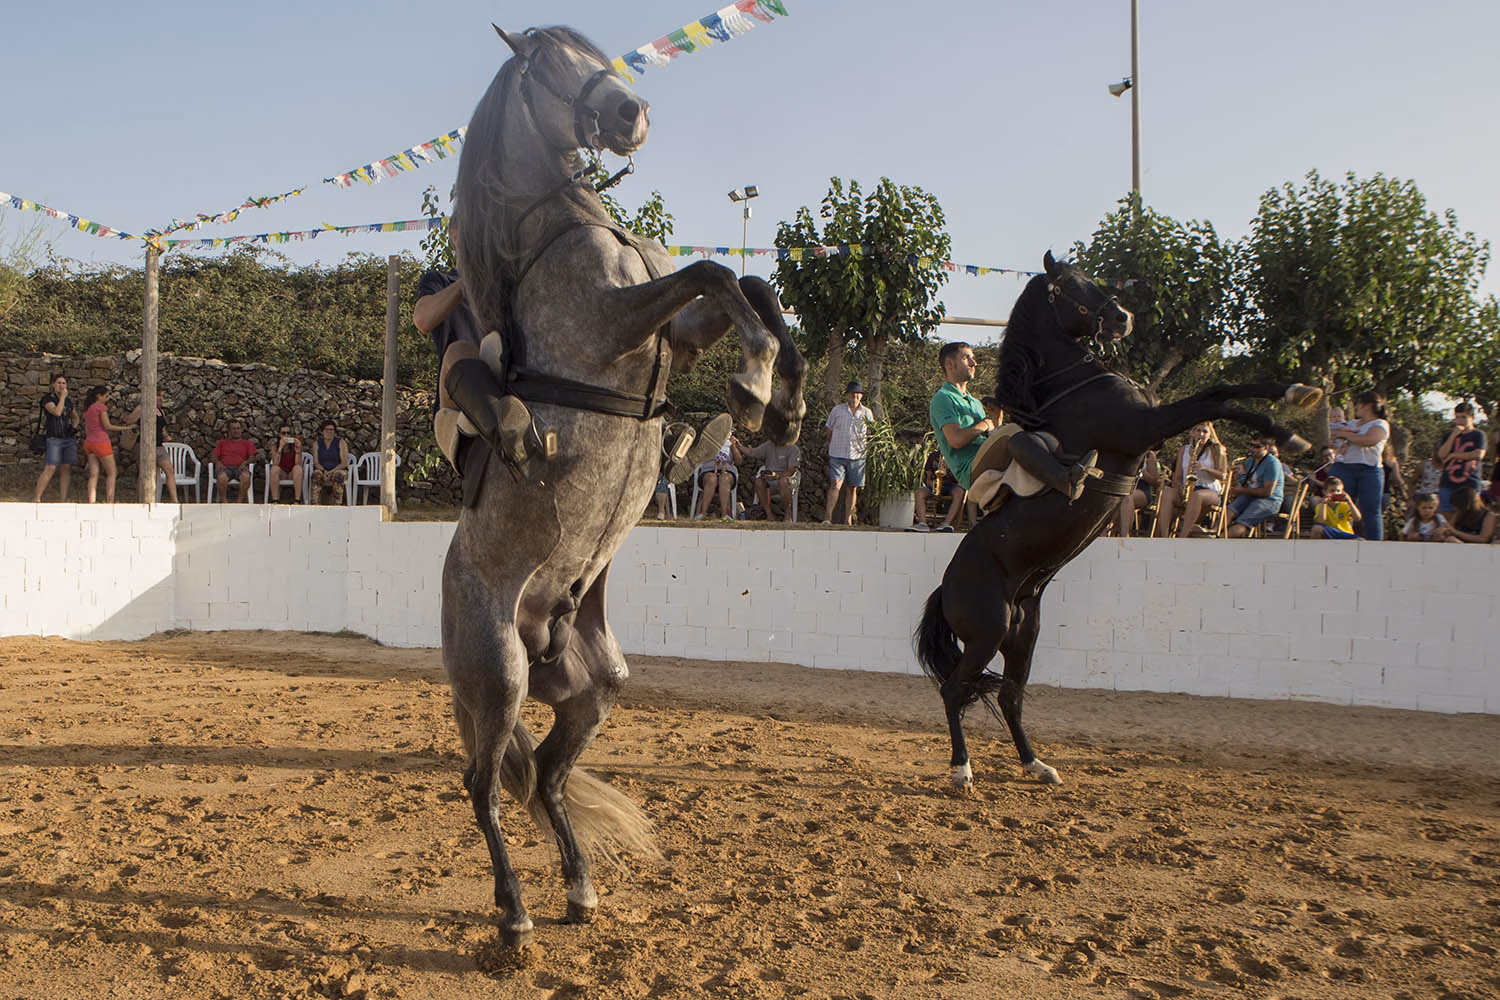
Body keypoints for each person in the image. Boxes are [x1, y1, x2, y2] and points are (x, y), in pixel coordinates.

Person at [413, 221, 536, 473]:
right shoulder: (438, 280)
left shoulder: (503, 287)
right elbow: (422, 320)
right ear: (455, 236)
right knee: (460, 350)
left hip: (507, 390)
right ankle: (505, 436)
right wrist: (466, 280)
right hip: (455, 407)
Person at [930, 342, 1097, 516]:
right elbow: (956, 440)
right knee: (1011, 431)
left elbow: (992, 436)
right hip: (970, 470)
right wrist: (986, 424)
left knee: (1042, 437)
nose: (974, 363)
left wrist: (997, 418)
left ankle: (1070, 468)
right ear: (950, 364)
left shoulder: (974, 402)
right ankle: (1065, 481)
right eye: (966, 358)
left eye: (973, 357)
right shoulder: (943, 398)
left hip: (987, 458)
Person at [1329, 391, 1390, 541]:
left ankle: (1374, 545)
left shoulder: (1380, 424)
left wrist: (1346, 435)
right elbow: (1333, 438)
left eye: (1358, 404)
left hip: (1369, 470)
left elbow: (1368, 440)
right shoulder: (1351, 424)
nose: (1355, 407)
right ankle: (1340, 539)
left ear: (1367, 406)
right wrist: (1344, 435)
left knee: (1371, 510)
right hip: (1344, 468)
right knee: (1339, 506)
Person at [1155, 421, 1228, 538]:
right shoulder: (1183, 450)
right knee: (1167, 493)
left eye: (1205, 432)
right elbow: (1177, 476)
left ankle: (1183, 536)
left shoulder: (1216, 449)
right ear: (1192, 433)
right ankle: (1164, 536)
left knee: (1197, 496)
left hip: (1209, 490)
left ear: (1210, 434)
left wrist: (1205, 468)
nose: (1201, 434)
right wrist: (1179, 487)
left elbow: (1224, 476)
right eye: (1198, 431)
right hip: (1188, 488)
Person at [822, 381, 876, 525]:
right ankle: (828, 518)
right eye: (852, 394)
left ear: (861, 396)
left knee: (852, 488)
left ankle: (848, 520)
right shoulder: (837, 410)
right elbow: (829, 430)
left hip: (857, 455)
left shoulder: (867, 413)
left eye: (858, 394)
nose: (855, 397)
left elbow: (870, 433)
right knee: (835, 484)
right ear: (847, 395)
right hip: (837, 453)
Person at [81, 385, 139, 504]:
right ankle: (110, 501)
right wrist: (127, 427)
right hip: (101, 442)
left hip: (89, 442)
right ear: (99, 396)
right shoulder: (101, 407)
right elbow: (108, 426)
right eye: (106, 396)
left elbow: (88, 428)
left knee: (93, 474)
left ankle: (91, 502)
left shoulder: (88, 409)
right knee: (112, 473)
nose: (107, 399)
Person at [1225, 435, 1284, 537]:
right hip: (1251, 495)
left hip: (1270, 500)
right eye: (1251, 445)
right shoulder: (1249, 461)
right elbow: (1248, 483)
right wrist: (1238, 478)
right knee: (1229, 510)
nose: (1252, 449)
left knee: (1242, 521)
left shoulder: (1272, 463)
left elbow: (1267, 492)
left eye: (1257, 447)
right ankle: (1213, 533)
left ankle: (1219, 541)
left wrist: (1241, 490)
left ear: (1266, 447)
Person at [33, 374, 79, 502]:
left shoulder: (68, 401)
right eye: (58, 383)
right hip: (54, 438)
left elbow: (75, 416)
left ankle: (63, 499)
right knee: (51, 467)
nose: (61, 385)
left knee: (66, 469)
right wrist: (63, 398)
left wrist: (73, 427)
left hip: (68, 439)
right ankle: (37, 498)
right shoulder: (48, 399)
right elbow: (57, 413)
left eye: (64, 383)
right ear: (53, 385)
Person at [1436, 402, 1486, 513]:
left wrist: (1454, 455)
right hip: (1448, 482)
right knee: (1446, 513)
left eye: (1464, 417)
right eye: (1457, 417)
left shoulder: (1478, 435)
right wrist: (1453, 435)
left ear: (1471, 418)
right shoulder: (1449, 435)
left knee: (1469, 514)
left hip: (1469, 482)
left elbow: (1478, 454)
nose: (1460, 421)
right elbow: (1442, 454)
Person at [741, 436, 801, 522]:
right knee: (759, 482)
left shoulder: (794, 449)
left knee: (783, 481)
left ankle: (788, 515)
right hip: (770, 480)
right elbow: (752, 452)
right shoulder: (768, 445)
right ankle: (769, 515)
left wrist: (776, 476)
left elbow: (791, 471)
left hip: (788, 481)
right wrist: (738, 445)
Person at [694, 427, 742, 520]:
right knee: (711, 478)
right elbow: (697, 456)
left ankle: (725, 515)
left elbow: (739, 461)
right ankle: (702, 513)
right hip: (708, 470)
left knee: (724, 478)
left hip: (727, 471)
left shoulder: (731, 444)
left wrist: (734, 447)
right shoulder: (709, 441)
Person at [911, 450, 964, 532]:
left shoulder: (956, 457)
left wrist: (950, 468)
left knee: (959, 493)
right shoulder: (933, 456)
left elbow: (960, 481)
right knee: (919, 492)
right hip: (934, 485)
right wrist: (932, 485)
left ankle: (946, 524)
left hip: (951, 485)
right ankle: (923, 524)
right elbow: (928, 479)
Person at [211, 419, 258, 503]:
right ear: (229, 431)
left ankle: (238, 502)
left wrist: (246, 462)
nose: (236, 431)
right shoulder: (222, 443)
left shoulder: (247, 443)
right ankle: (224, 502)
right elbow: (213, 456)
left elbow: (253, 457)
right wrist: (218, 462)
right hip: (225, 468)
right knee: (221, 478)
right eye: (234, 429)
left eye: (238, 428)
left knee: (246, 477)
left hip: (240, 468)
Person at [1116, 450, 1160, 537]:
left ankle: (1124, 535)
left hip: (1141, 489)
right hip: (1121, 487)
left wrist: (1142, 471)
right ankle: (1103, 535)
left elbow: (1155, 482)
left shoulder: (1148, 455)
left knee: (1127, 497)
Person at [310, 420, 349, 505]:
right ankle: (315, 503)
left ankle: (337, 504)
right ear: (322, 431)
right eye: (326, 429)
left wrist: (331, 472)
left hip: (338, 469)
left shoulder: (340, 442)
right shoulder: (317, 444)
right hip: (322, 469)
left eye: (331, 430)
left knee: (338, 475)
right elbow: (316, 463)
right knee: (316, 474)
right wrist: (324, 471)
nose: (329, 432)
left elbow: (344, 463)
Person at [267, 420, 304, 503]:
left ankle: (297, 500)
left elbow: (298, 464)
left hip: (292, 473)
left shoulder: (295, 445)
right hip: (281, 473)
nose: (286, 435)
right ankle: (275, 500)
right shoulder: (274, 446)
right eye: (284, 433)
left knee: (298, 468)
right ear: (279, 435)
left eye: (288, 433)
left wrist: (298, 451)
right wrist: (280, 448)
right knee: (274, 469)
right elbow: (275, 463)